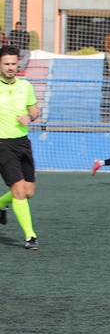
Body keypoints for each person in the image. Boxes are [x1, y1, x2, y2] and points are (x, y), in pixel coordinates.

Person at [0, 46, 40, 249]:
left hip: (23, 142)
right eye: (6, 63)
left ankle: (0, 204)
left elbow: (35, 109)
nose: (10, 67)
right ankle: (30, 237)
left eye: (13, 63)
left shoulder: (26, 86)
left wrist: (29, 117)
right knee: (18, 191)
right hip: (2, 145)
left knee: (29, 191)